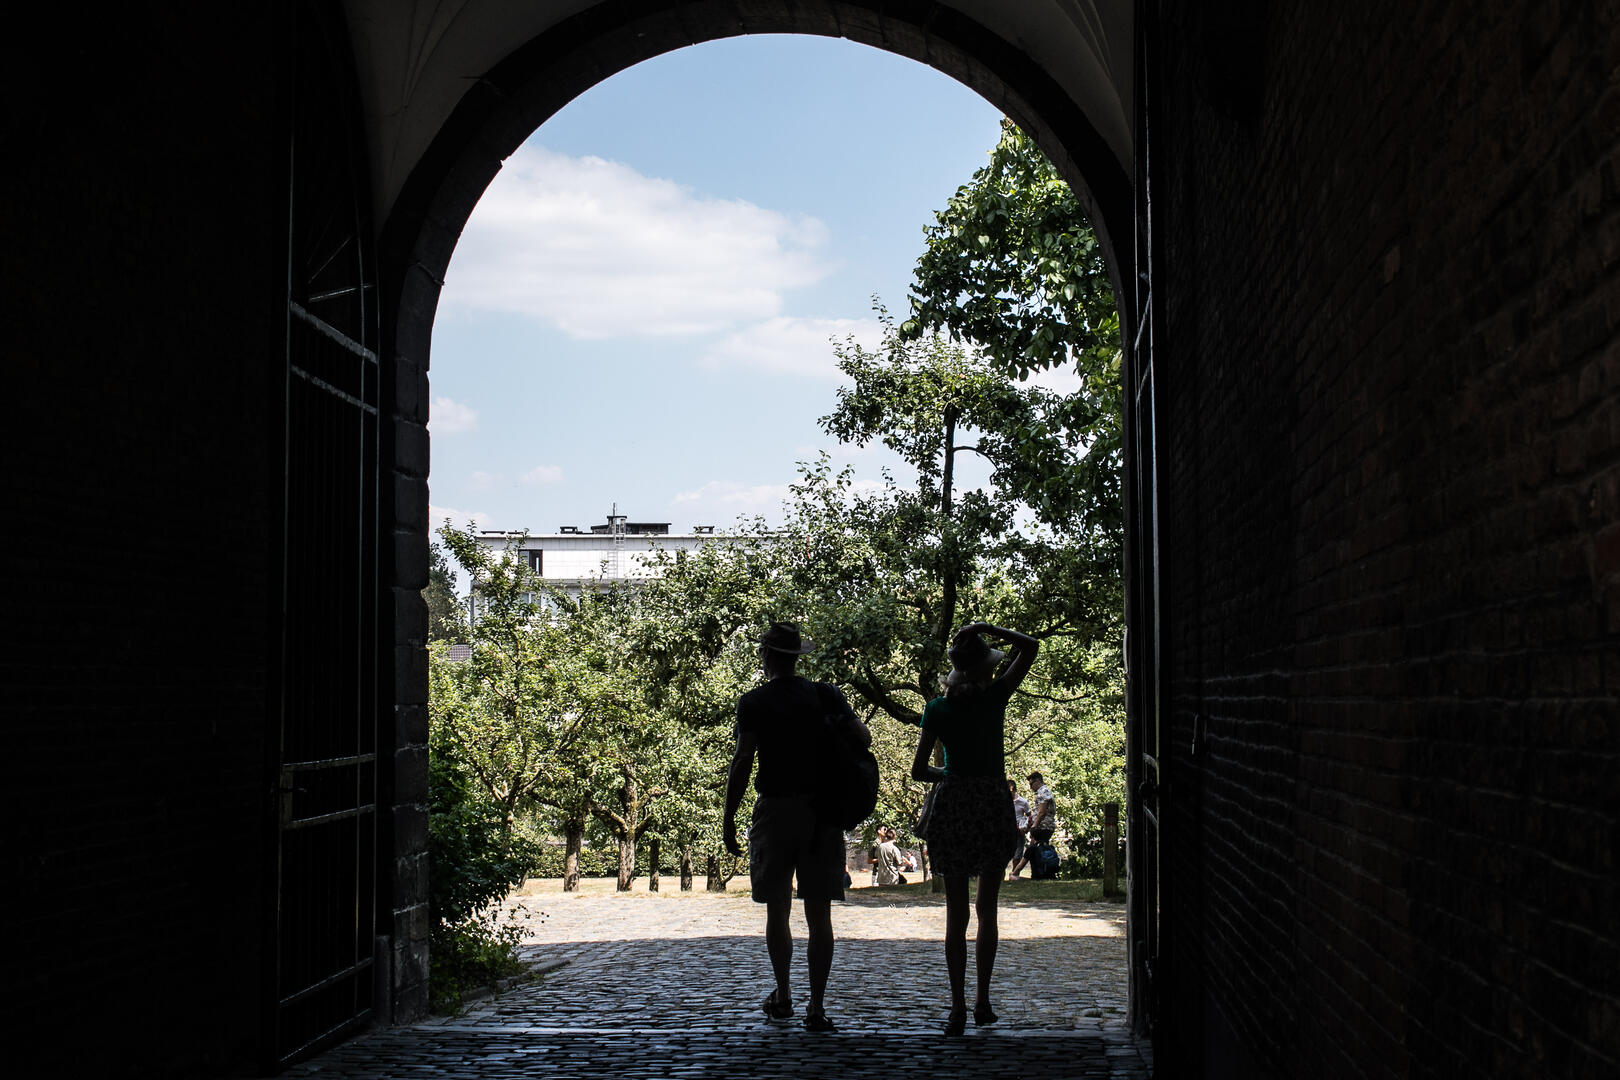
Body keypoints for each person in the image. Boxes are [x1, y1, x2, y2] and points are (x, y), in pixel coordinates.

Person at [724, 621, 869, 1033]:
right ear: (796, 657)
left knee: (778, 909)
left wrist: (729, 817)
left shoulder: (753, 702)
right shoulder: (826, 695)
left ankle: (784, 993)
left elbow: (743, 760)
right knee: (820, 914)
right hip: (823, 812)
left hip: (776, 810)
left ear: (766, 655)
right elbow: (863, 737)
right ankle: (816, 1007)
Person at [910, 621, 1038, 1035]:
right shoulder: (995, 697)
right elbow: (1030, 647)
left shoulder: (937, 709)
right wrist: (985, 626)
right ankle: (983, 1001)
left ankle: (957, 1008)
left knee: (956, 913)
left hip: (953, 805)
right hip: (991, 803)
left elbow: (919, 769)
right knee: (987, 909)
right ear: (984, 668)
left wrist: (949, 774)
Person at [1006, 779, 1032, 879]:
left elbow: (1029, 816)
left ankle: (1014, 875)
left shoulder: (1023, 802)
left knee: (1017, 855)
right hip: (1007, 831)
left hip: (1019, 832)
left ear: (1014, 790)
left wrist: (1026, 828)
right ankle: (1001, 878)